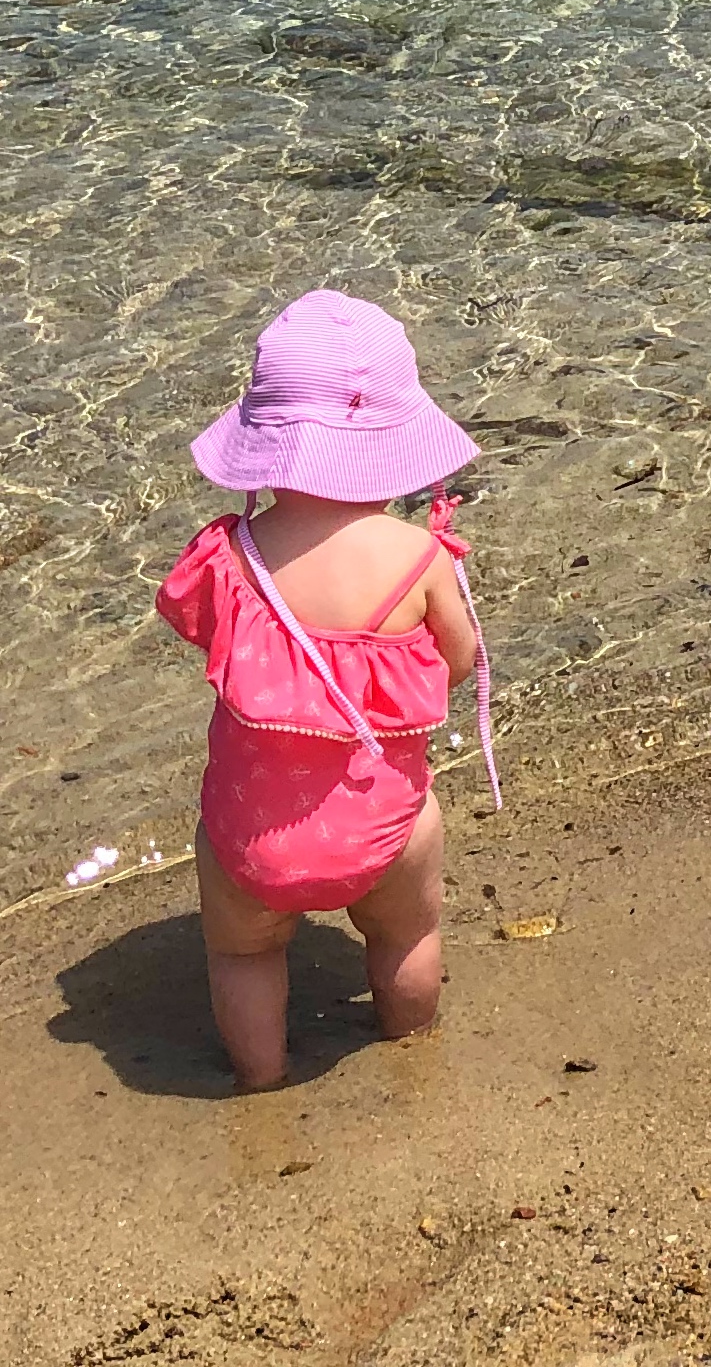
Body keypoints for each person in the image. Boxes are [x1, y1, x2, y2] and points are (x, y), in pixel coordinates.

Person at [155, 291, 494, 1091]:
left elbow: (206, 636)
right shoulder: (419, 558)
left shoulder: (232, 557)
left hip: (252, 834)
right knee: (407, 936)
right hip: (386, 825)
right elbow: (459, 660)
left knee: (243, 953)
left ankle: (261, 1080)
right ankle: (410, 1047)